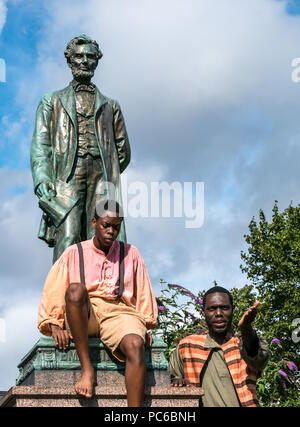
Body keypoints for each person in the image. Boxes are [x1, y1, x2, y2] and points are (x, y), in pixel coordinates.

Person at [38, 200, 158, 407]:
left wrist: (144, 326)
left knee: (135, 345)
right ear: (94, 222)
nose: (111, 231)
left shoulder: (131, 253)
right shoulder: (73, 253)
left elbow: (143, 292)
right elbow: (55, 290)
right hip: (86, 311)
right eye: (106, 225)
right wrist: (54, 323)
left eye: (116, 227)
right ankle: (87, 369)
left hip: (120, 312)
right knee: (76, 290)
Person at [31, 35, 130, 263]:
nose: (84, 61)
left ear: (96, 61)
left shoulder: (110, 105)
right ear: (70, 61)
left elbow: (122, 150)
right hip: (66, 177)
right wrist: (42, 179)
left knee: (105, 235)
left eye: (90, 56)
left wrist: (108, 168)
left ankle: (104, 291)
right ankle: (65, 294)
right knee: (68, 235)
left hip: (101, 176)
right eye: (79, 56)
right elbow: (41, 145)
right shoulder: (51, 101)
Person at [168, 286, 269, 407]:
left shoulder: (242, 343)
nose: (219, 313)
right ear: (203, 312)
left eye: (224, 308)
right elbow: (170, 378)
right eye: (212, 309)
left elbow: (258, 359)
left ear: (233, 310)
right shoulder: (188, 346)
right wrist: (177, 382)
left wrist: (246, 328)